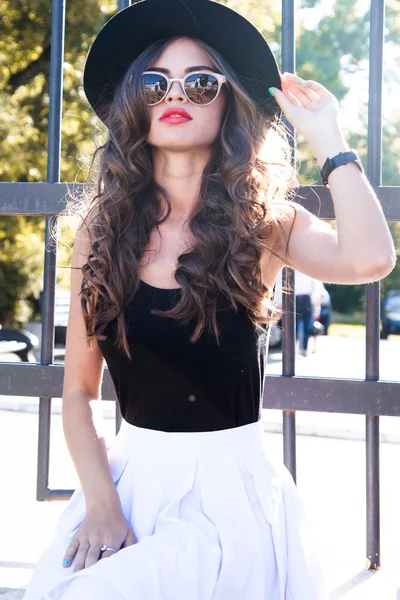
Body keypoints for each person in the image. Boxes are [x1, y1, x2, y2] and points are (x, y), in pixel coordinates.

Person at [23, 1, 396, 599]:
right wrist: (100, 506)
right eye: (154, 82)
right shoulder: (102, 227)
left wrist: (330, 139)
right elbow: (77, 392)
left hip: (230, 495)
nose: (176, 95)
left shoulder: (266, 223)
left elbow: (371, 259)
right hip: (127, 485)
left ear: (228, 105)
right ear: (134, 106)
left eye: (200, 83)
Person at [294, 271, 322, 357]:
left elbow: (316, 292)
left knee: (307, 328)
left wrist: (317, 309)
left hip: (307, 301)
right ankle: (293, 349)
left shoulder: (310, 274)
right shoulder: (293, 273)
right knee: (295, 327)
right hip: (295, 300)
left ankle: (305, 348)